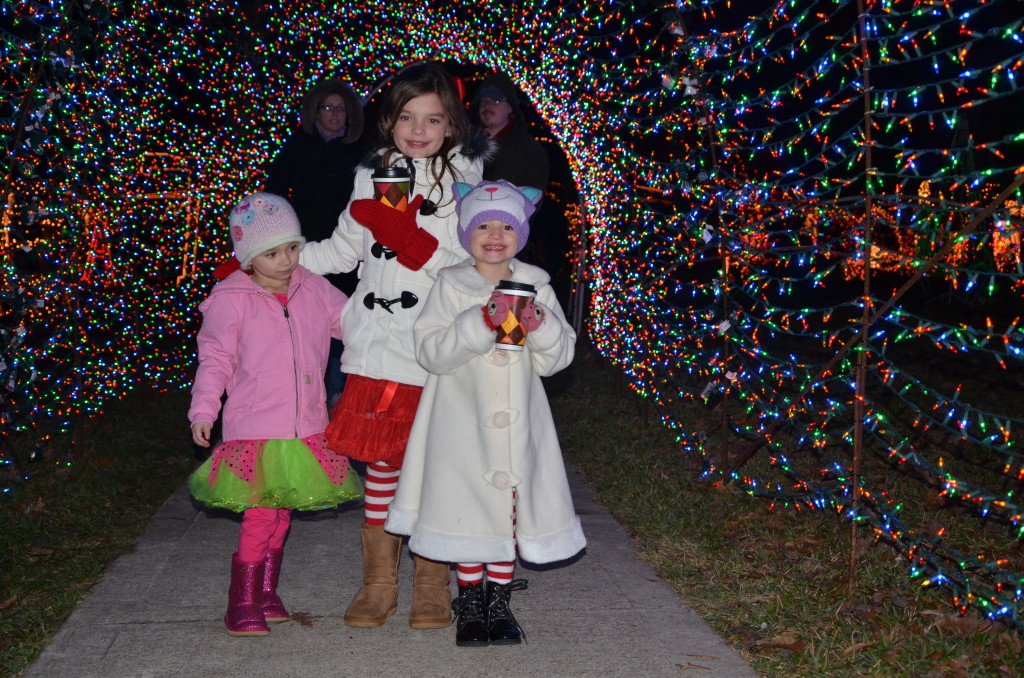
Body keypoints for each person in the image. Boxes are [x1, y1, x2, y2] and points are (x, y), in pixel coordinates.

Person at [298, 62, 492, 629]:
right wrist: (275, 262)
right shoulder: (373, 174)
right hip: (380, 345)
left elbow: (474, 267)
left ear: (453, 123)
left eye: (433, 119)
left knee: (430, 465)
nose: (418, 129)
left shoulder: (467, 182)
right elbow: (339, 252)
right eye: (407, 117)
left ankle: (432, 581)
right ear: (389, 119)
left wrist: (412, 241)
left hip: (435, 349)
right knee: (382, 463)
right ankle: (378, 582)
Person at [385, 180, 586, 647]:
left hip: (519, 425)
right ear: (465, 233)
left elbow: (556, 360)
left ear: (521, 234)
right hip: (460, 425)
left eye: (506, 227)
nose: (495, 235)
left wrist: (542, 326)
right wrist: (478, 322)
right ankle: (470, 601)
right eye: (483, 226)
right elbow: (431, 351)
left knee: (507, 514)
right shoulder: (451, 286)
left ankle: (499, 600)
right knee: (465, 511)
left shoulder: (537, 285)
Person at [187, 192, 363, 637]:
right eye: (271, 253)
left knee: (283, 512)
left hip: (306, 428)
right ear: (247, 256)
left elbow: (353, 325)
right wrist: (203, 409)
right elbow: (216, 358)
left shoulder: (313, 286)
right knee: (262, 514)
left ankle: (266, 592)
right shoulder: (232, 298)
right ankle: (241, 600)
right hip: (256, 430)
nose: (285, 261)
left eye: (292, 248)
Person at [265, 78, 365, 406]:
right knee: (304, 319)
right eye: (328, 107)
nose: (335, 114)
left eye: (341, 108)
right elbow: (275, 193)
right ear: (315, 111)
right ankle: (302, 392)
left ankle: (338, 393)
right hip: (304, 249)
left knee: (340, 319)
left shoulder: (359, 151)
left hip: (345, 250)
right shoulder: (298, 146)